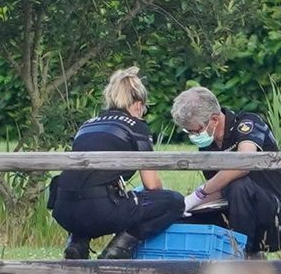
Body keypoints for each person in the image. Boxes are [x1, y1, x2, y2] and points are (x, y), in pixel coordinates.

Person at [50, 67, 185, 259]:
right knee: (174, 201)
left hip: (63, 210)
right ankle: (120, 247)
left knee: (88, 188)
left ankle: (78, 242)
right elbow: (152, 185)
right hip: (99, 211)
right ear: (138, 104)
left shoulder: (87, 125)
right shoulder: (136, 127)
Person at [170, 86, 281, 256]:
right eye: (188, 132)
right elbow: (219, 188)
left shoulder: (247, 124)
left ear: (214, 120)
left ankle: (239, 255)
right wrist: (187, 203)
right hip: (234, 213)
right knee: (182, 216)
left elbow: (243, 164)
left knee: (238, 184)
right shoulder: (208, 146)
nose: (193, 136)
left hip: (276, 220)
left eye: (196, 130)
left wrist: (199, 193)